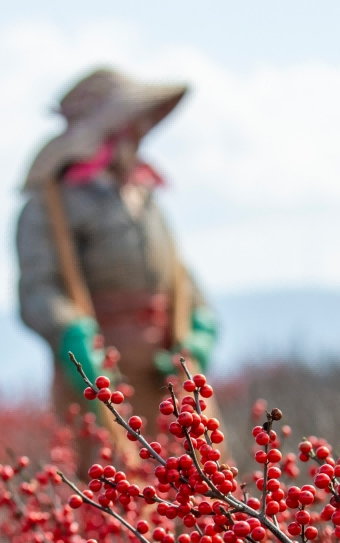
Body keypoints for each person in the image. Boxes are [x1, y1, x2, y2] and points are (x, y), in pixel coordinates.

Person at [16, 68, 217, 445]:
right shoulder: (52, 205)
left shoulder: (144, 199)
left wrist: (200, 324)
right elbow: (37, 288)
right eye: (132, 125)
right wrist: (69, 332)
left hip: (168, 378)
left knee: (192, 485)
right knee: (111, 481)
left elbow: (178, 275)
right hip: (99, 381)